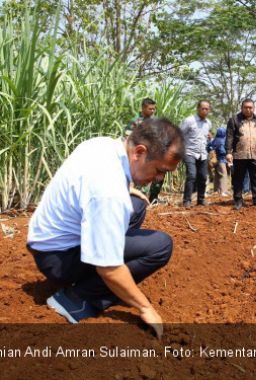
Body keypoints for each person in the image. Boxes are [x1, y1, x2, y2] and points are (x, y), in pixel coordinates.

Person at [27, 118, 185, 337]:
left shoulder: (102, 145)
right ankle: (76, 300)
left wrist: (127, 187)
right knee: (160, 246)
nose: (159, 179)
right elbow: (108, 267)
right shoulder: (109, 194)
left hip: (47, 240)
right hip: (59, 259)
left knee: (136, 206)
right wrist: (146, 308)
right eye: (160, 170)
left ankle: (96, 268)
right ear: (139, 152)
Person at [225, 99, 256, 210]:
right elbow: (229, 137)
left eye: (250, 107)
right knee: (238, 179)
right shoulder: (234, 120)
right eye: (246, 107)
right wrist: (228, 152)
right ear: (242, 108)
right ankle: (238, 201)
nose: (248, 109)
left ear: (254, 108)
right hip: (239, 155)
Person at [180, 101, 213, 207]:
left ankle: (201, 199)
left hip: (202, 153)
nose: (205, 111)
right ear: (198, 109)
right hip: (189, 152)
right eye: (203, 108)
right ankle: (187, 200)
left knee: (203, 177)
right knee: (192, 175)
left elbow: (207, 136)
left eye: (207, 109)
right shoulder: (189, 121)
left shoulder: (208, 123)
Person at [208, 127, 229, 196]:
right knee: (223, 175)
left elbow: (208, 146)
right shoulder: (223, 140)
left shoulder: (214, 140)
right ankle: (223, 191)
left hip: (214, 161)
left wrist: (211, 151)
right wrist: (226, 154)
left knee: (217, 175)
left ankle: (216, 190)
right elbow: (222, 151)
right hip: (221, 160)